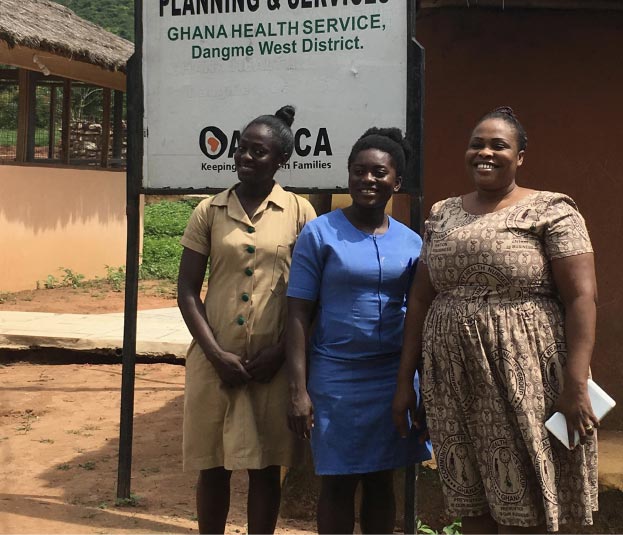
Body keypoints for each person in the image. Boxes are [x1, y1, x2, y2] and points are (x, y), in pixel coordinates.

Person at [392, 107, 599, 533]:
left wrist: (576, 383)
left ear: (520, 156)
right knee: (472, 500)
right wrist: (405, 382)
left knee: (527, 497)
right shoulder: (443, 213)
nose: (484, 153)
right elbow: (421, 297)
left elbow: (582, 297)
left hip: (528, 377)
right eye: (477, 144)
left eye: (498, 145)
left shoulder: (551, 210)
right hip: (454, 379)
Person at [177, 105, 317, 535]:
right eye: (242, 148)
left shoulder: (300, 212)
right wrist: (216, 354)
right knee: (213, 467)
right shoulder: (209, 211)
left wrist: (281, 353)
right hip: (214, 364)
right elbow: (187, 290)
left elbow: (313, 296)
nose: (245, 157)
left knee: (266, 468)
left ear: (281, 160)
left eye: (259, 151)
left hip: (271, 367)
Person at [286, 127, 432, 534]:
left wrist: (422, 385)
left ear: (396, 182)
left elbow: (420, 316)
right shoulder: (319, 233)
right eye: (358, 171)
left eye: (379, 173)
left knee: (382, 481)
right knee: (337, 483)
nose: (368, 179)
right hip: (336, 378)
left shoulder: (412, 242)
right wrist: (298, 391)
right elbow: (297, 313)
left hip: (393, 379)